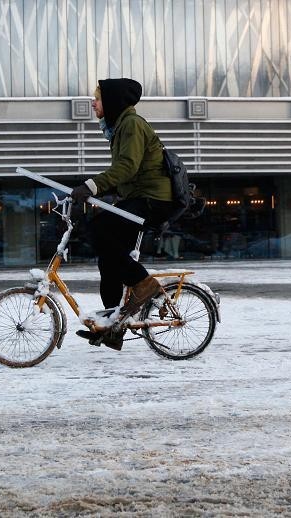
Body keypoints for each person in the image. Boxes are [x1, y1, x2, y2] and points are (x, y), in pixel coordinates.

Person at [70, 78, 175, 350]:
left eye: (98, 99)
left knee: (100, 230)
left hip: (153, 199)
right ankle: (113, 326)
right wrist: (94, 191)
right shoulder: (119, 128)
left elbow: (127, 167)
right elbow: (126, 174)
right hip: (139, 197)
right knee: (108, 257)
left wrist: (91, 186)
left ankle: (144, 283)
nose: (93, 103)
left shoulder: (131, 125)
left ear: (113, 102)